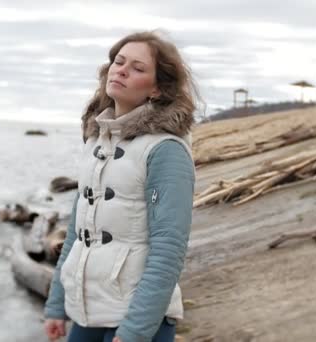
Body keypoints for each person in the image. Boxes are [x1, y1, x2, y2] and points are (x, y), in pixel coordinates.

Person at [43, 31, 198, 342]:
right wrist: (57, 303)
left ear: (157, 89)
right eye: (118, 61)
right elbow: (77, 231)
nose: (122, 70)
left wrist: (135, 331)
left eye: (138, 68)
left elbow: (168, 249)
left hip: (137, 317)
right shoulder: (96, 142)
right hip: (88, 310)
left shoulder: (166, 151)